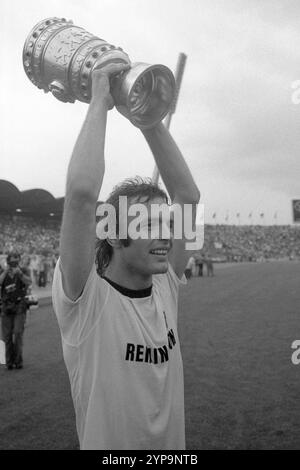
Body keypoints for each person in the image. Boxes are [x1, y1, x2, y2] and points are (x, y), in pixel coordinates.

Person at [52, 63, 200, 450]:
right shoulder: (86, 300)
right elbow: (83, 197)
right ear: (114, 237)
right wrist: (100, 98)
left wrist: (147, 115)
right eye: (147, 225)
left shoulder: (165, 282)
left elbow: (187, 196)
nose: (165, 234)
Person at [0, 251, 31, 369]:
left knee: (18, 333)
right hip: (6, 308)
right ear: (8, 261)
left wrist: (20, 274)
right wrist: (5, 271)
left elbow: (29, 282)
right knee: (7, 337)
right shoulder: (3, 271)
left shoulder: (23, 270)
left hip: (19, 306)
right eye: (12, 260)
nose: (14, 262)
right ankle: (9, 362)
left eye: (16, 259)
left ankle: (18, 361)